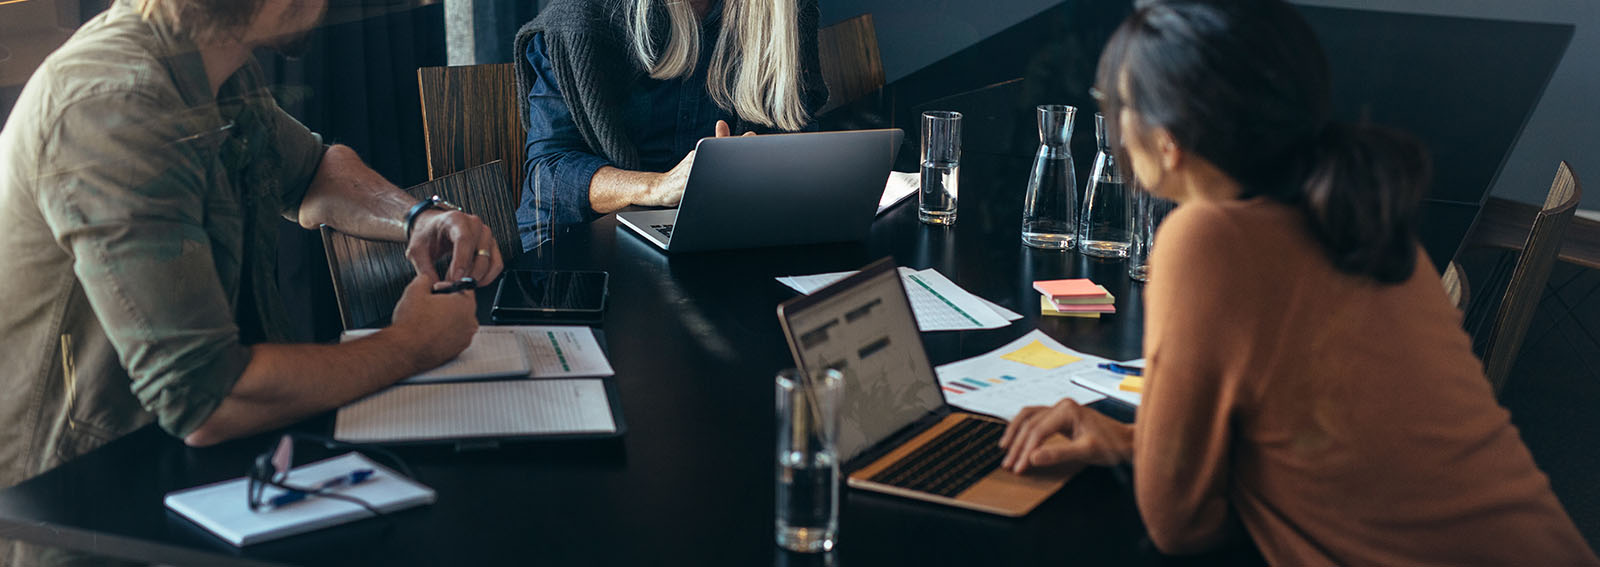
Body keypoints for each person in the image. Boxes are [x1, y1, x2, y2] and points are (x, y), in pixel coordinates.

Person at [997, 0, 1598, 564]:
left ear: (1169, 140)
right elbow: (1319, 443)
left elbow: (1180, 526)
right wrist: (1136, 443)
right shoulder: (1356, 208)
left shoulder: (1205, 239)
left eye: (1117, 104)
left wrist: (1152, 451)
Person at [0, 0, 502, 510]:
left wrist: (417, 217)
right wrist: (412, 344)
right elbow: (205, 400)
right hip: (77, 502)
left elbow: (313, 173)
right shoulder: (114, 105)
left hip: (181, 469)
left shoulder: (218, 63)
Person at [511, 0, 829, 250]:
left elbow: (797, 132)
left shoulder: (782, 12)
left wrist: (766, 159)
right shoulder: (581, 16)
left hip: (711, 238)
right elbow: (547, 174)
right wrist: (659, 186)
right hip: (573, 249)